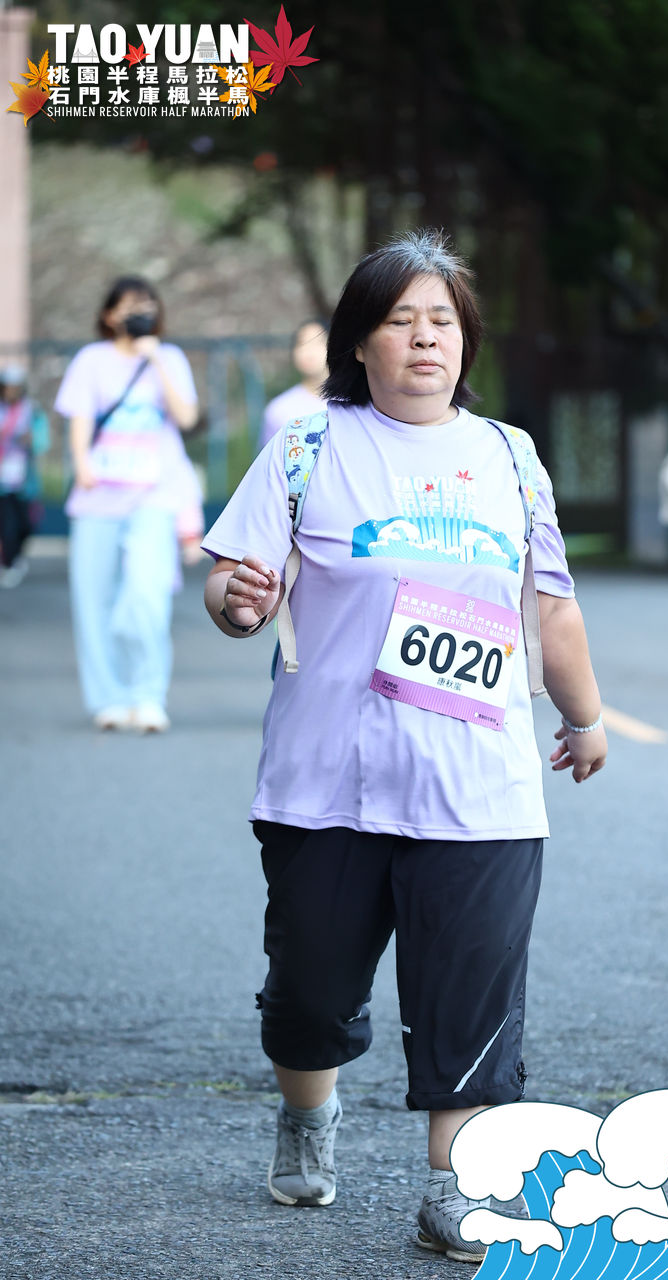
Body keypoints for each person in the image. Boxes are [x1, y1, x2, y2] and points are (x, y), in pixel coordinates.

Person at [202, 229, 607, 1263]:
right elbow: (234, 584)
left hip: (480, 784)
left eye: (442, 320)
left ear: (464, 341)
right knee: (309, 995)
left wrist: (585, 716)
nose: (425, 337)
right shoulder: (308, 448)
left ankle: (453, 1188)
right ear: (359, 342)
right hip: (326, 782)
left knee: (470, 996)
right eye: (400, 319)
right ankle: (307, 1112)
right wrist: (239, 602)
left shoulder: (509, 456)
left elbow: (549, 606)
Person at [54, 275, 199, 732]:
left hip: (153, 494)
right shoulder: (91, 359)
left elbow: (186, 417)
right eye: (130, 305)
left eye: (147, 304)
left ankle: (148, 695)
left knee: (146, 594)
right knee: (92, 599)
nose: (139, 312)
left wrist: (155, 359)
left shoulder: (169, 357)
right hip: (99, 494)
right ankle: (109, 699)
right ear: (109, 314)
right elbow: (80, 418)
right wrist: (81, 463)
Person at [0, 365, 50, 588]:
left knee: (25, 524)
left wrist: (31, 440)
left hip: (23, 480)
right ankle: (9, 562)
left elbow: (42, 441)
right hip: (2, 481)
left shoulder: (31, 411)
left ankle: (16, 556)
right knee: (7, 525)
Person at [257, 318, 329, 450]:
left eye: (318, 343)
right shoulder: (278, 409)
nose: (308, 351)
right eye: (302, 343)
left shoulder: (355, 402)